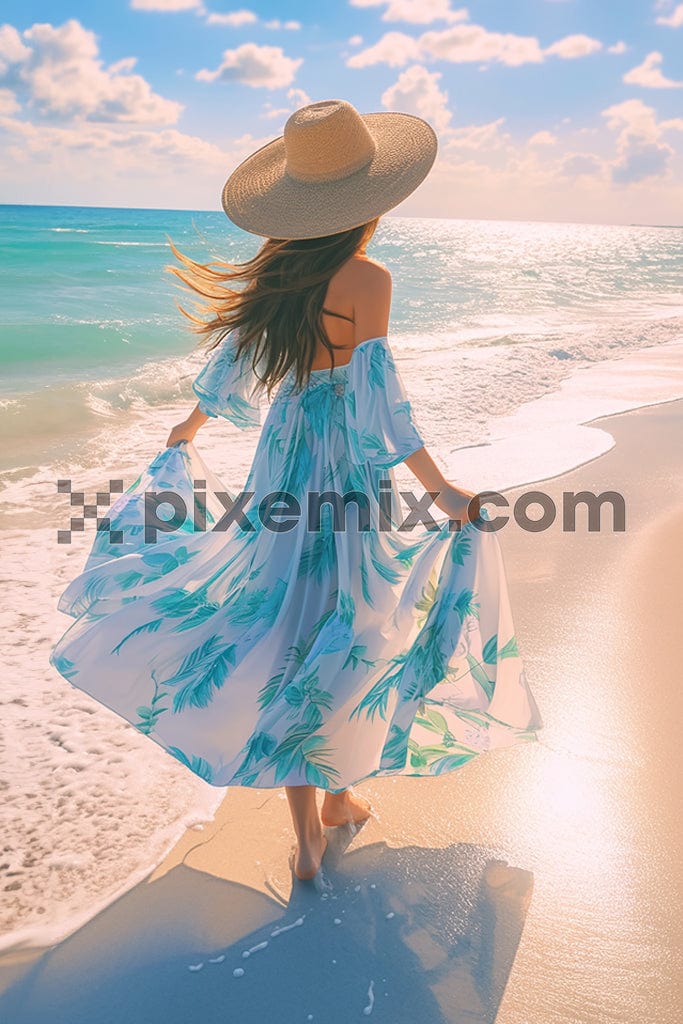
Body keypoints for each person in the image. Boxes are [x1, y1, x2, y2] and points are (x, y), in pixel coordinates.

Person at [50, 100, 543, 881]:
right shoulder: (367, 278)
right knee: (348, 621)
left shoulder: (281, 273)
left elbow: (235, 365)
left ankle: (314, 826)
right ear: (371, 201)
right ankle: (333, 801)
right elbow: (381, 401)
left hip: (283, 455)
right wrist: (441, 488)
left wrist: (190, 427)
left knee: (281, 623)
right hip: (346, 467)